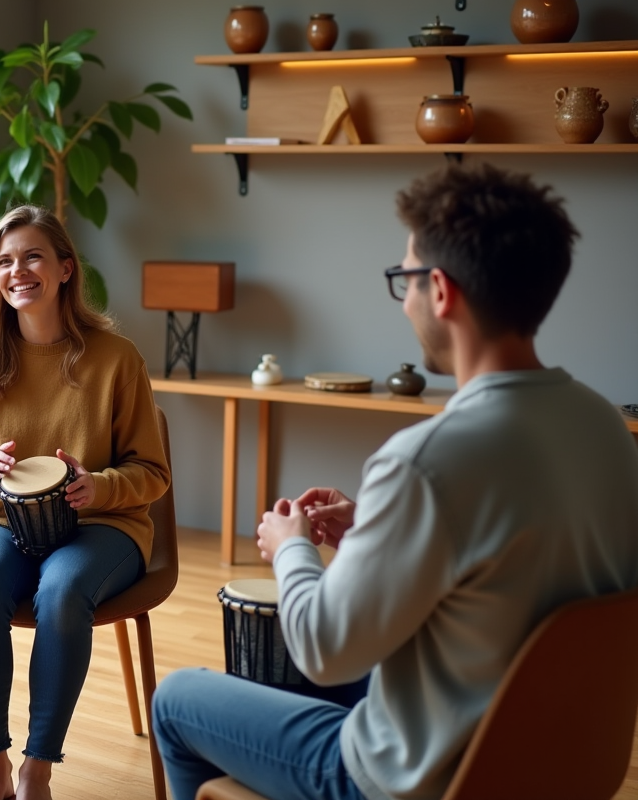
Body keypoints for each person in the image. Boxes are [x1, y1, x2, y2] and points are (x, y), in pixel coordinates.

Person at [151, 163, 638, 800]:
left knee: (179, 698)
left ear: (441, 291)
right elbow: (502, 574)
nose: (403, 299)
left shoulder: (426, 460)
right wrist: (376, 530)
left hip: (412, 779)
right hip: (552, 763)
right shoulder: (604, 425)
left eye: (404, 279)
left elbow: (322, 650)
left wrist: (291, 546)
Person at [0, 205, 170, 800]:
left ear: (66, 269)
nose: (18, 271)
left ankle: (37, 767)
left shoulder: (117, 359)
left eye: (33, 256)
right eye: (4, 261)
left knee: (63, 590)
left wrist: (99, 485)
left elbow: (152, 472)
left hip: (101, 523)